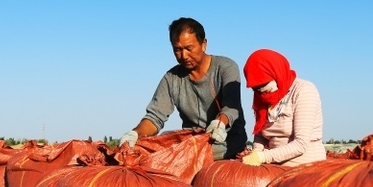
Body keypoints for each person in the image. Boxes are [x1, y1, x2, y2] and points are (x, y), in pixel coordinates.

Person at [118, 18, 248, 160]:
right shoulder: (171, 78)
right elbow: (155, 117)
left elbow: (231, 108)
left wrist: (220, 123)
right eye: (177, 50)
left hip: (224, 143)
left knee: (174, 157)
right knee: (145, 148)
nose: (184, 56)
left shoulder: (226, 67)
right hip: (191, 143)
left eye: (189, 48)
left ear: (204, 44)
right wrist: (135, 134)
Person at [241, 49, 325, 167]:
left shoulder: (304, 91)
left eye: (263, 85)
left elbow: (300, 144)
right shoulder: (263, 96)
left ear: (276, 73)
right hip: (274, 162)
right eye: (255, 88)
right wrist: (256, 151)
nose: (260, 91)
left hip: (304, 163)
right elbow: (260, 135)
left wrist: (263, 157)